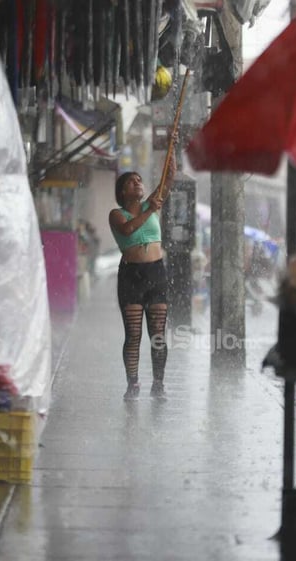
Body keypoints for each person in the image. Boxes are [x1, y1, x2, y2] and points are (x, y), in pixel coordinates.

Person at [108, 152, 176, 400]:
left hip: (156, 273)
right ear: (123, 192)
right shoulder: (117, 214)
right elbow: (128, 229)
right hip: (131, 276)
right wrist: (150, 211)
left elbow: (169, 176)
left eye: (139, 180)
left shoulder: (151, 204)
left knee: (158, 333)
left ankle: (158, 383)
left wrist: (173, 144)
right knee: (133, 334)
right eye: (131, 181)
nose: (137, 183)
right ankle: (133, 383)